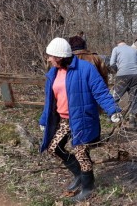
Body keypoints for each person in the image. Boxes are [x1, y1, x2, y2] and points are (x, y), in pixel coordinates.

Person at [39, 37, 122, 201]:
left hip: (83, 119)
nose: (48, 59)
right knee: (53, 147)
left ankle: (88, 187)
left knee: (81, 153)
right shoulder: (53, 73)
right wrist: (44, 120)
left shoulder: (85, 69)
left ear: (60, 56)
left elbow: (100, 91)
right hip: (64, 121)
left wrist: (112, 110)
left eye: (51, 56)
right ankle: (78, 174)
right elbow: (49, 101)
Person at [110, 39, 137, 128]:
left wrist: (118, 71)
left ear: (118, 44)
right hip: (135, 75)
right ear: (126, 43)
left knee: (116, 96)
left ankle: (113, 116)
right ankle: (132, 120)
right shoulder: (134, 49)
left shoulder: (116, 49)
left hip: (122, 75)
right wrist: (136, 70)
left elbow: (112, 63)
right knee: (134, 97)